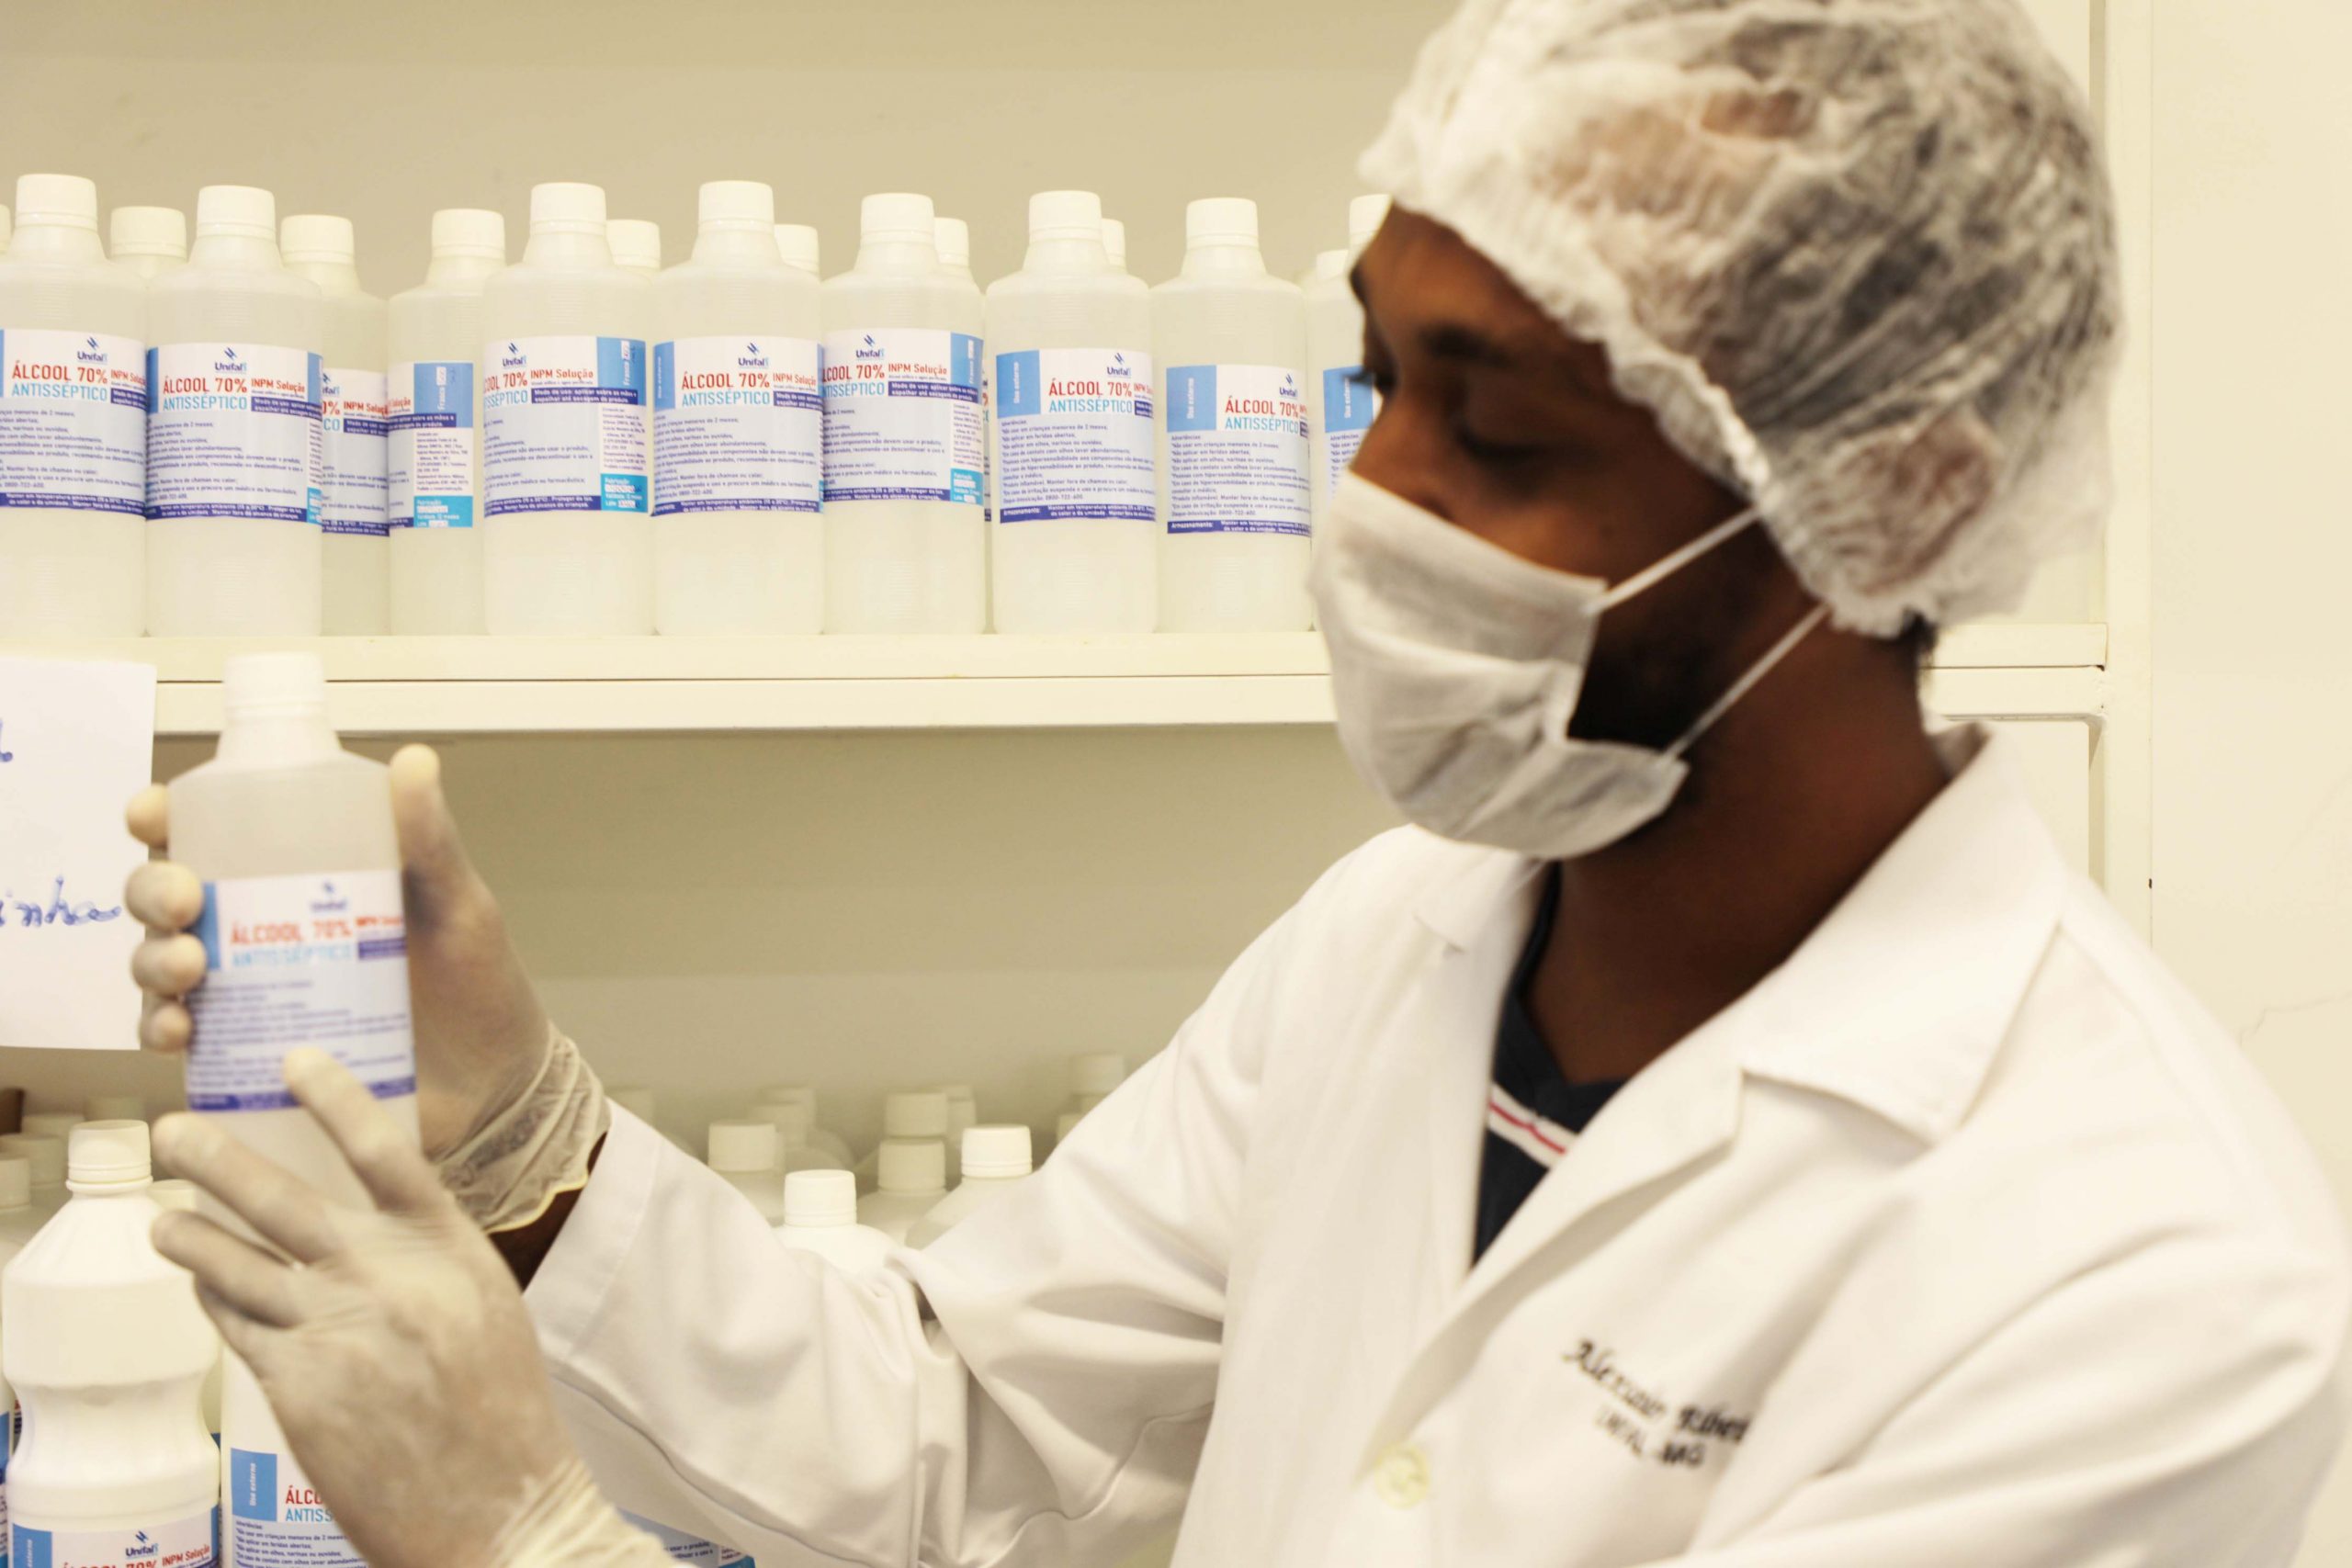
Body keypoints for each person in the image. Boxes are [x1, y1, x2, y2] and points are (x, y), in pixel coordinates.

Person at [129, 1, 2349, 1563]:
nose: (1369, 500)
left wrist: (530, 1540)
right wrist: (513, 1131)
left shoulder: (2129, 1273)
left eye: (1497, 429)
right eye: (1372, 380)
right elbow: (956, 1426)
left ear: (1895, 494)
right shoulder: (1402, 936)